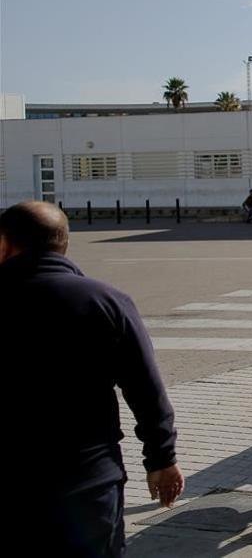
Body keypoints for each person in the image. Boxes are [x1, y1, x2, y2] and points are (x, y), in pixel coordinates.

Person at [3, 201, 184, 557]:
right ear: (63, 243)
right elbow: (146, 389)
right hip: (86, 482)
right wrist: (161, 459)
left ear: (5, 243)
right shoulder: (106, 301)